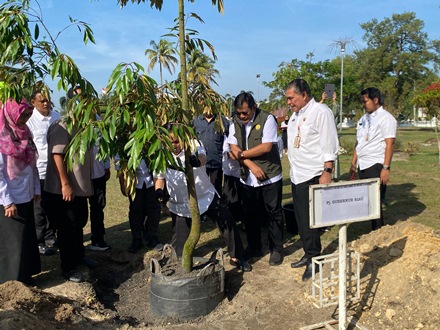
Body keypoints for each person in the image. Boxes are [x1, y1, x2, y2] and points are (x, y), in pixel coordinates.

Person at [163, 124, 251, 272]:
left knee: (227, 220)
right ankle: (179, 262)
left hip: (205, 196)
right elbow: (159, 177)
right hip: (181, 204)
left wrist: (196, 161)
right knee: (179, 241)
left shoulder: (193, 144)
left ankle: (237, 256)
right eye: (170, 142)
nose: (174, 145)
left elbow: (202, 156)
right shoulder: (161, 155)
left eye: (177, 141)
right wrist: (159, 191)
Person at [285, 79, 339, 281]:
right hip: (298, 174)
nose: (289, 102)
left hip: (313, 173)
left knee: (311, 220)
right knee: (301, 219)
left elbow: (329, 143)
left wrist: (327, 170)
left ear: (304, 94)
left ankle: (314, 259)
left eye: (291, 98)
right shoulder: (296, 115)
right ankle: (308, 253)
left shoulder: (321, 112)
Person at [44, 87, 96, 283]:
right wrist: (65, 184)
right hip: (63, 190)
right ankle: (68, 267)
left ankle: (79, 256)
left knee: (79, 223)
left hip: (79, 189)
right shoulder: (61, 125)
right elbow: (57, 155)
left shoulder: (83, 126)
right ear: (73, 103)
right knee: (67, 228)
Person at [227, 92, 284, 267]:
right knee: (250, 214)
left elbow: (266, 147)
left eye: (245, 112)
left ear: (253, 107)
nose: (242, 116)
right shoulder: (234, 121)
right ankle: (255, 246)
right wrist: (251, 165)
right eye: (239, 113)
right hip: (247, 178)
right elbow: (232, 148)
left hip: (270, 176)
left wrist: (242, 155)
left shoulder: (267, 119)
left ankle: (277, 249)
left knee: (272, 213)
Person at [0, 98, 41, 285]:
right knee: (13, 243)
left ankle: (26, 276)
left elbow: (32, 165)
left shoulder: (25, 133)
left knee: (25, 238)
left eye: (28, 114)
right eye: (21, 114)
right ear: (10, 113)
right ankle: (12, 283)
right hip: (9, 200)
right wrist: (7, 201)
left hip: (25, 194)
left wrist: (36, 188)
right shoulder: (2, 137)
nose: (25, 118)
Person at [349, 87, 397, 230]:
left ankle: (378, 231)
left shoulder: (386, 118)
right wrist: (353, 161)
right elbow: (359, 142)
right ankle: (374, 229)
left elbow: (390, 144)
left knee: (375, 201)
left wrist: (386, 168)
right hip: (363, 164)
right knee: (367, 200)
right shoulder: (363, 119)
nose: (363, 104)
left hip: (376, 163)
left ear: (375, 100)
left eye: (366, 101)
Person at [27, 90, 61, 256]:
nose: (45, 103)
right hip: (39, 171)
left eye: (47, 100)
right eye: (41, 101)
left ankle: (50, 237)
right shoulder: (29, 120)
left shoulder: (57, 116)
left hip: (55, 171)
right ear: (33, 102)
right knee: (39, 209)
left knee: (54, 207)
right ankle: (39, 241)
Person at [115, 158, 164, 253]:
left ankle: (153, 237)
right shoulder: (123, 144)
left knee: (154, 209)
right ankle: (137, 239)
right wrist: (122, 183)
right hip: (134, 182)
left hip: (152, 181)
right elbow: (119, 162)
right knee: (135, 210)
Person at [192, 109, 229, 195]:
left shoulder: (221, 120)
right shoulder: (196, 120)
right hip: (200, 163)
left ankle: (217, 205)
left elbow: (230, 136)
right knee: (201, 186)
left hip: (216, 160)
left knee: (216, 185)